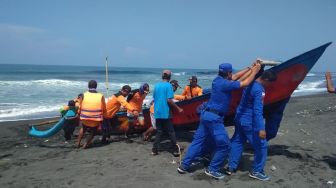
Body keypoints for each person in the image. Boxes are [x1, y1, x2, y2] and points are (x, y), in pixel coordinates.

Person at [177, 61, 261, 180]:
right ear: (228, 73)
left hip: (205, 115)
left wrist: (249, 68)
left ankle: (184, 166)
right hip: (214, 118)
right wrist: (255, 71)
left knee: (198, 142)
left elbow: (236, 77)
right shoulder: (226, 84)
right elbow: (245, 82)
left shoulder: (217, 80)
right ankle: (212, 169)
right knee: (225, 145)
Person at [226, 70, 277, 181]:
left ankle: (231, 166)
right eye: (270, 83)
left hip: (239, 117)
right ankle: (256, 171)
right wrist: (261, 128)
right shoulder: (259, 90)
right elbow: (257, 111)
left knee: (238, 141)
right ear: (266, 80)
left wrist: (256, 66)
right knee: (261, 145)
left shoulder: (249, 82)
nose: (270, 86)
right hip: (249, 121)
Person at [152, 70, 183, 156]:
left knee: (159, 131)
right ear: (169, 77)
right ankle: (175, 150)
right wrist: (178, 108)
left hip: (157, 111)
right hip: (165, 111)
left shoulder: (157, 85)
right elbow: (169, 100)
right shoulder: (169, 86)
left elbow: (155, 98)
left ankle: (154, 150)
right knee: (171, 132)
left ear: (162, 76)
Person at [76, 80, 106, 149]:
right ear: (96, 86)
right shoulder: (101, 95)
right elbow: (104, 107)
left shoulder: (83, 94)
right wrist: (104, 115)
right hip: (95, 118)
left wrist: (78, 114)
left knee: (83, 127)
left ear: (88, 86)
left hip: (84, 117)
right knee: (93, 131)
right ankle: (85, 144)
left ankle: (78, 143)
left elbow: (80, 106)